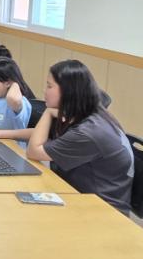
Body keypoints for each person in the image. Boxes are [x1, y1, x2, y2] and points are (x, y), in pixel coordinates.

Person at [26, 60, 134, 214]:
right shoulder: (88, 114)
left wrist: (48, 112)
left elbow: (33, 151)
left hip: (103, 211)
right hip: (83, 195)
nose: (44, 90)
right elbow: (40, 138)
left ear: (68, 91)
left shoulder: (88, 132)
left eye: (49, 86)